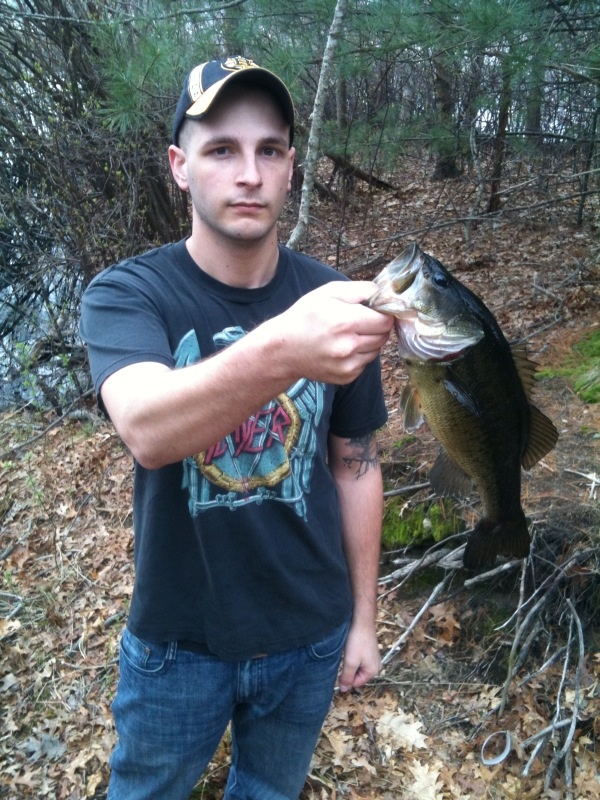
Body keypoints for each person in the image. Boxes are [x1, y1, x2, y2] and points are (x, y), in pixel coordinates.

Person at [80, 55, 393, 800]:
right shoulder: (130, 292)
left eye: (270, 150)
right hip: (179, 642)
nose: (248, 173)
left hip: (310, 633)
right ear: (179, 166)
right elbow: (148, 427)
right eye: (221, 149)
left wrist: (362, 622)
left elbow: (355, 464)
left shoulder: (331, 297)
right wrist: (284, 348)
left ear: (290, 169)